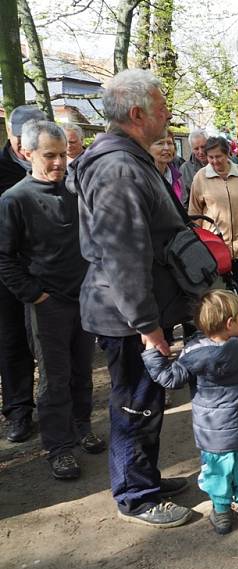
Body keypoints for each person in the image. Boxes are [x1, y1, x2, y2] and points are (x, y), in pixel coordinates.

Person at [76, 68, 194, 527]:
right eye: (162, 105)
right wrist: (148, 326)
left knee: (146, 401)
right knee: (134, 405)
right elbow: (124, 255)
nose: (168, 112)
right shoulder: (118, 167)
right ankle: (136, 496)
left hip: (135, 311)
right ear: (139, 112)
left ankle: (144, 476)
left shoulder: (130, 158)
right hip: (127, 317)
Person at [0, 120, 105, 478]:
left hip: (84, 299)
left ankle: (81, 426)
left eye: (63, 154)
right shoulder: (15, 199)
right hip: (47, 306)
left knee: (82, 372)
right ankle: (58, 447)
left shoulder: (75, 191)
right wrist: (36, 295)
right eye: (50, 155)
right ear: (27, 153)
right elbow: (4, 257)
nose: (60, 162)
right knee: (54, 378)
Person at [142, 289, 238, 534]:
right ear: (231, 323)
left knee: (216, 470)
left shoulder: (193, 353)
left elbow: (169, 378)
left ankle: (221, 512)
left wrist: (150, 352)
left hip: (212, 434)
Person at [0, 105, 44, 443]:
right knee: (13, 342)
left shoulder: (51, 167)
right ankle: (18, 411)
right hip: (8, 277)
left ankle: (59, 410)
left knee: (50, 346)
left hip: (47, 274)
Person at [189, 136, 238, 329]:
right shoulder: (200, 177)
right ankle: (219, 320)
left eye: (218, 156)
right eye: (210, 157)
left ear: (228, 155)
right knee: (217, 283)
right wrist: (195, 238)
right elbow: (194, 211)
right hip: (213, 243)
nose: (214, 161)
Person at [149, 130, 184, 206]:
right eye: (160, 143)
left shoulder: (176, 178)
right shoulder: (143, 177)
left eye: (169, 143)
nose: (166, 148)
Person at [179, 129, 208, 207]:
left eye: (203, 147)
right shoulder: (185, 169)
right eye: (196, 149)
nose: (201, 152)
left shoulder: (219, 163)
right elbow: (185, 201)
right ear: (191, 149)